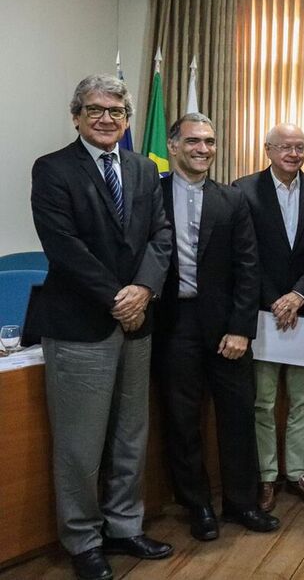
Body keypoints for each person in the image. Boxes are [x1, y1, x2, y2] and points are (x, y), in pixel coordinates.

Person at [29, 74, 174, 580]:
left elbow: (161, 235)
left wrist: (144, 290)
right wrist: (119, 297)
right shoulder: (52, 169)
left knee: (130, 436)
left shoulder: (142, 167)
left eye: (115, 111)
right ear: (76, 116)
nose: (107, 118)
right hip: (79, 324)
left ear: (128, 119)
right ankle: (83, 539)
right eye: (95, 110)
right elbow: (63, 245)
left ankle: (124, 525)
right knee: (80, 444)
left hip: (138, 322)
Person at [154, 112, 277, 541]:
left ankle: (241, 504)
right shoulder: (150, 194)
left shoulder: (232, 199)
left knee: (238, 416)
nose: (203, 149)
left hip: (227, 325)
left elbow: (249, 267)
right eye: (193, 141)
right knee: (183, 421)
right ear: (173, 146)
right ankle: (199, 506)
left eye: (209, 141)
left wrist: (242, 327)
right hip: (173, 324)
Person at [233, 123, 304, 512]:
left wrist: (299, 294)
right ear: (267, 149)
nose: (293, 153)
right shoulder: (243, 190)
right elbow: (244, 255)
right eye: (285, 147)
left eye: (300, 147)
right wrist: (276, 299)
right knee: (264, 400)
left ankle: (299, 473)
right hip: (263, 311)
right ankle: (267, 476)